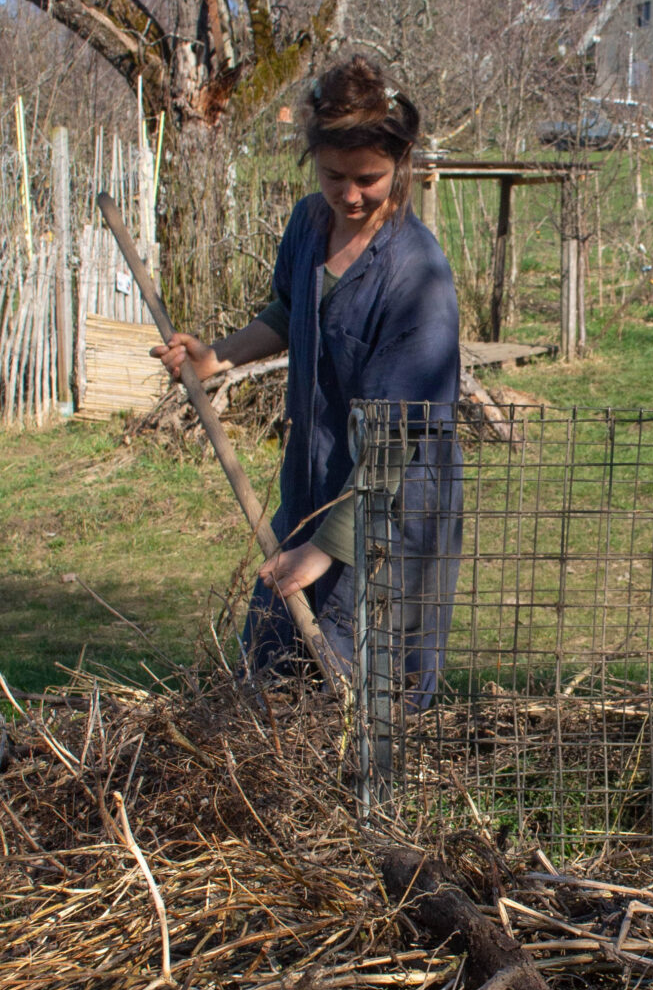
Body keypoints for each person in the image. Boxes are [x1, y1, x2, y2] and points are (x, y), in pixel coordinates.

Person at [153, 56, 463, 707]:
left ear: (401, 162)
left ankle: (365, 808)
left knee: (364, 694)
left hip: (389, 510)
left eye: (368, 179)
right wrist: (216, 358)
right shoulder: (307, 224)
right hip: (312, 488)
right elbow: (290, 310)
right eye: (333, 176)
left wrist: (325, 552)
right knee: (269, 669)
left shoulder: (416, 276)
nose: (349, 195)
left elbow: (400, 435)